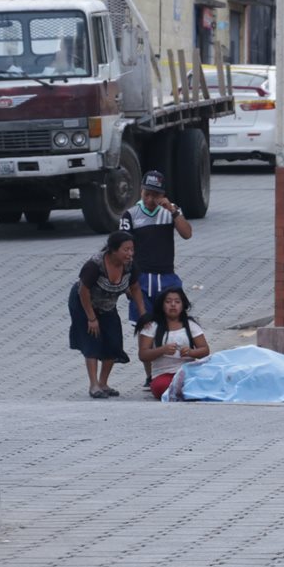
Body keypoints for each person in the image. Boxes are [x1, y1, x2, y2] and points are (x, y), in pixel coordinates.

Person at [120, 169, 193, 388]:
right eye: (147, 194)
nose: (151, 200)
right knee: (146, 327)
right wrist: (125, 281)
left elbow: (187, 233)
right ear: (141, 191)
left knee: (173, 323)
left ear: (163, 194)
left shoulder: (170, 212)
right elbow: (122, 250)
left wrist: (173, 211)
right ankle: (150, 374)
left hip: (167, 277)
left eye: (155, 195)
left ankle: (172, 370)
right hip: (141, 279)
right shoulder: (130, 215)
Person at [68, 231, 148, 398]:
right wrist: (91, 318)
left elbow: (135, 288)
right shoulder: (95, 265)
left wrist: (143, 314)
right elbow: (83, 291)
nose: (130, 254)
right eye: (126, 250)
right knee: (92, 340)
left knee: (114, 341)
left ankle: (104, 383)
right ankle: (94, 385)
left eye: (132, 249)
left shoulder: (130, 265)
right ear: (113, 250)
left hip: (108, 305)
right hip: (84, 304)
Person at [135, 286, 210, 400]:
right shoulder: (152, 326)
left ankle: (186, 391)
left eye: (177, 302)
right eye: (168, 302)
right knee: (162, 386)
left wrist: (191, 352)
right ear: (162, 305)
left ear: (183, 305)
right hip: (163, 374)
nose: (173, 305)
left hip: (187, 371)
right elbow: (143, 355)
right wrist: (162, 350)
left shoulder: (190, 325)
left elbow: (205, 350)